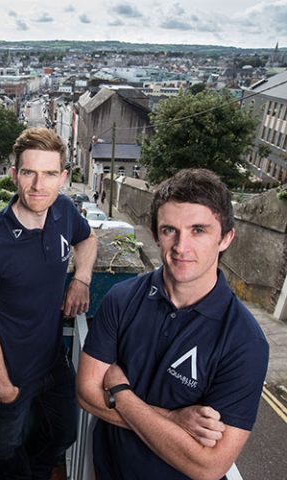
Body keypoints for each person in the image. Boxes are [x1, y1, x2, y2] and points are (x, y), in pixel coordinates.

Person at [77, 168, 269, 480]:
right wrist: (173, 420)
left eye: (198, 230)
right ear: (155, 234)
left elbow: (209, 465)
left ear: (226, 238)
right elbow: (86, 393)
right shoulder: (122, 298)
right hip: (107, 470)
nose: (181, 246)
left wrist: (121, 393)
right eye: (170, 230)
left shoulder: (245, 342)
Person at [0, 127, 97, 480]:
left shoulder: (64, 211)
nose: (39, 185)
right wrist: (3, 385)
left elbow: (88, 240)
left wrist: (81, 279)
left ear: (64, 178)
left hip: (53, 363)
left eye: (50, 174)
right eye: (29, 173)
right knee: (5, 448)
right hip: (10, 372)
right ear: (14, 175)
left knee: (64, 434)